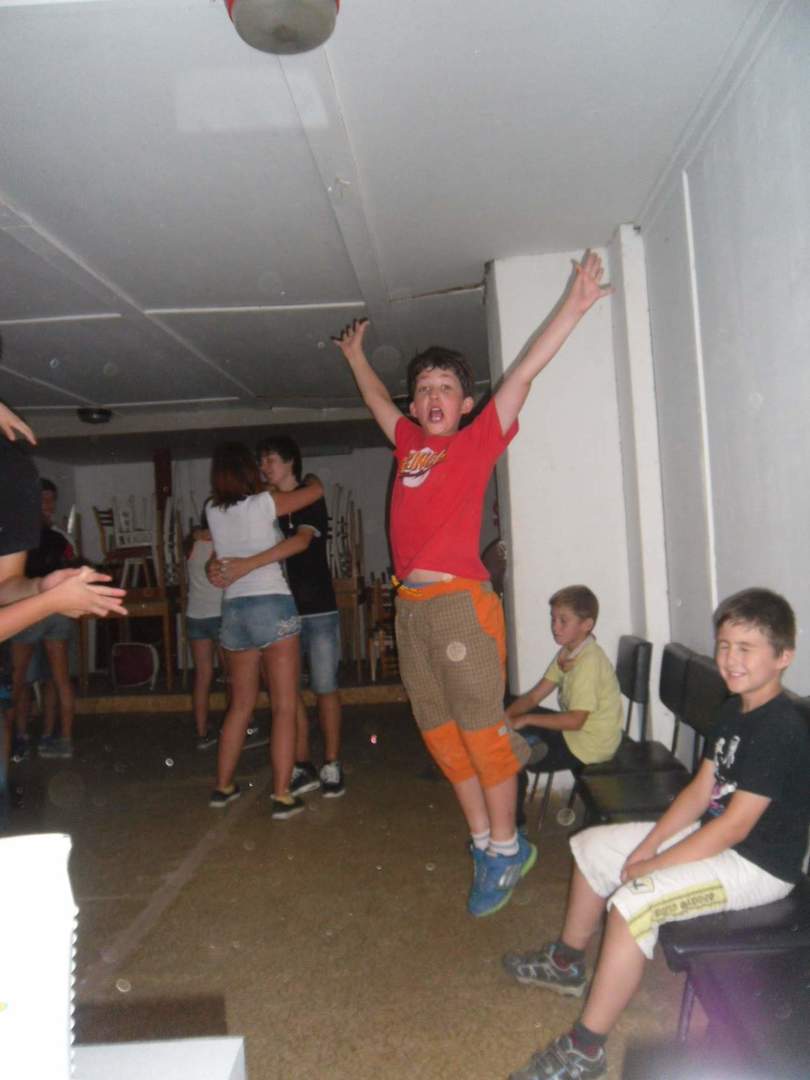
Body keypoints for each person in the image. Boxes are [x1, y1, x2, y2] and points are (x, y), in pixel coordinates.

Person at [333, 251, 612, 917]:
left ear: (464, 404)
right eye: (424, 388)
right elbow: (375, 400)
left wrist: (573, 306)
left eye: (446, 388)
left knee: (482, 733)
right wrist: (356, 358)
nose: (433, 397)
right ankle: (488, 843)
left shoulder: (478, 439)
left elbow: (522, 374)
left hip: (460, 605)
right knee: (440, 735)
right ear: (417, 403)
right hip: (411, 611)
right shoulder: (407, 443)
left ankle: (508, 844)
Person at [503, 587, 810, 1080]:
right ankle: (566, 962)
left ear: (783, 657)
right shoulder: (733, 710)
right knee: (591, 847)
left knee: (633, 903)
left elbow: (735, 826)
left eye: (746, 648)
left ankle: (585, 1049)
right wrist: (646, 845)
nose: (730, 659)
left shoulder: (781, 728)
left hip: (758, 866)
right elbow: (700, 790)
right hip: (718, 837)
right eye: (724, 645)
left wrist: (652, 866)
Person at [204, 442, 324, 819]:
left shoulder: (212, 510)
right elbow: (314, 492)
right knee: (284, 706)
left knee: (240, 706)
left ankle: (223, 787)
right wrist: (312, 478)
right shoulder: (263, 505)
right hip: (271, 604)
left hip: (234, 610)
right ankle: (282, 795)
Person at [258, 435, 345, 799]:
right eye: (262, 462)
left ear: (290, 462)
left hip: (319, 607)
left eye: (271, 460)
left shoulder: (309, 496)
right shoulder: (265, 504)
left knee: (324, 687)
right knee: (288, 694)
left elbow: (302, 542)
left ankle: (332, 762)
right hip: (282, 608)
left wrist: (251, 562)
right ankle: (303, 764)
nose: (264, 467)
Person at [506, 585, 622, 829]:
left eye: (563, 620)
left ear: (586, 625)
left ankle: (514, 829)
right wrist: (505, 717)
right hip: (576, 732)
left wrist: (525, 720)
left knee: (508, 754)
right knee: (509, 704)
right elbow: (534, 696)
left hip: (590, 744)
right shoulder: (569, 653)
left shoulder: (589, 662)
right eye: (553, 619)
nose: (555, 627)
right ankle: (530, 741)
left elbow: (575, 721)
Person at [9, 478, 80, 760]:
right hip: (56, 610)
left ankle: (20, 738)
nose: (49, 504)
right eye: (44, 499)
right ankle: (57, 738)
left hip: (29, 609)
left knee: (20, 680)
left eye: (51, 499)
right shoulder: (61, 537)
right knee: (55, 679)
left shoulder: (17, 534)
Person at [184, 504, 224, 751]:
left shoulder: (191, 542)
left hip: (196, 615)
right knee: (233, 676)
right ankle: (243, 726)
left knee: (202, 676)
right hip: (220, 613)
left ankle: (201, 733)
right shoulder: (223, 542)